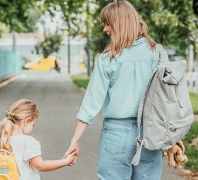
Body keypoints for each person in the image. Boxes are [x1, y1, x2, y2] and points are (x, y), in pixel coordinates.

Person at [63, 1, 184, 179]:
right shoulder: (157, 53)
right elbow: (169, 98)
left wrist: (75, 140)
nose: (105, 29)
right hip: (151, 133)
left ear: (119, 24)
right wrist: (173, 134)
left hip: (116, 134)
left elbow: (90, 103)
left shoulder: (108, 58)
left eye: (108, 23)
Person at [0, 99, 76, 180]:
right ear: (27, 121)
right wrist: (65, 162)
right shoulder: (28, 142)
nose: (33, 127)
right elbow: (40, 166)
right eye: (33, 124)